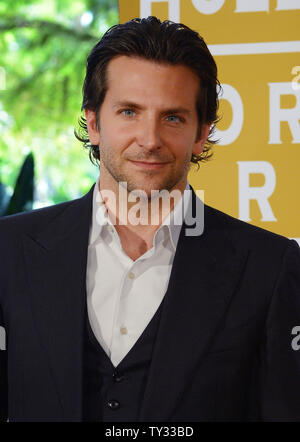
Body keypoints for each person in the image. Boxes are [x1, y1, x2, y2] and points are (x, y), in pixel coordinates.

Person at [0, 16, 300, 423]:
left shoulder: (270, 266)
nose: (150, 139)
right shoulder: (8, 251)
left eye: (172, 117)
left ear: (201, 133)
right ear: (93, 124)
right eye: (129, 112)